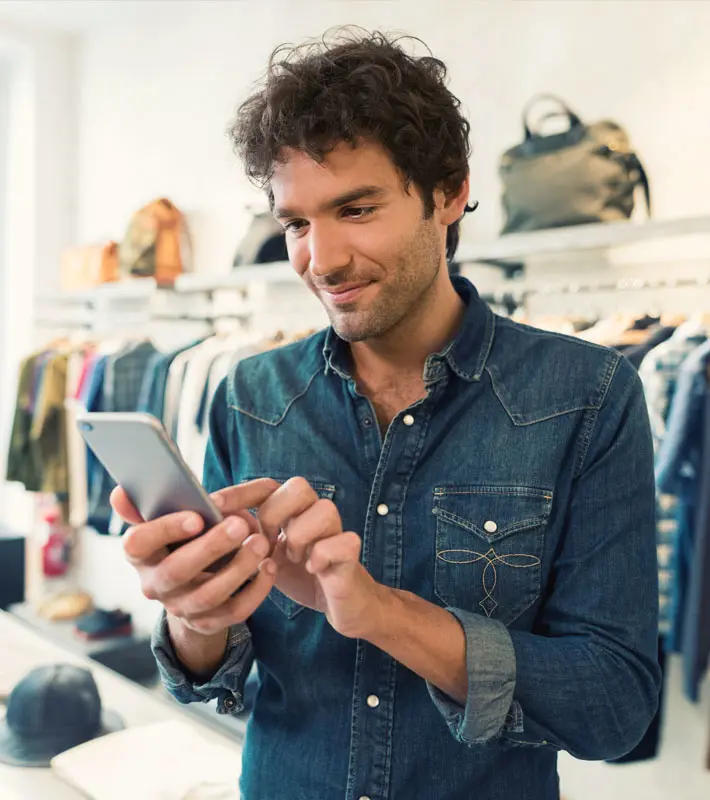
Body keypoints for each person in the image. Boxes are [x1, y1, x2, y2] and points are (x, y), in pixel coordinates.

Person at [111, 29, 661, 800]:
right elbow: (213, 676)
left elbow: (613, 708)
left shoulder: (589, 394)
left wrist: (377, 612)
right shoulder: (252, 394)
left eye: (356, 208)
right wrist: (194, 616)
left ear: (447, 192)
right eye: (296, 223)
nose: (320, 259)